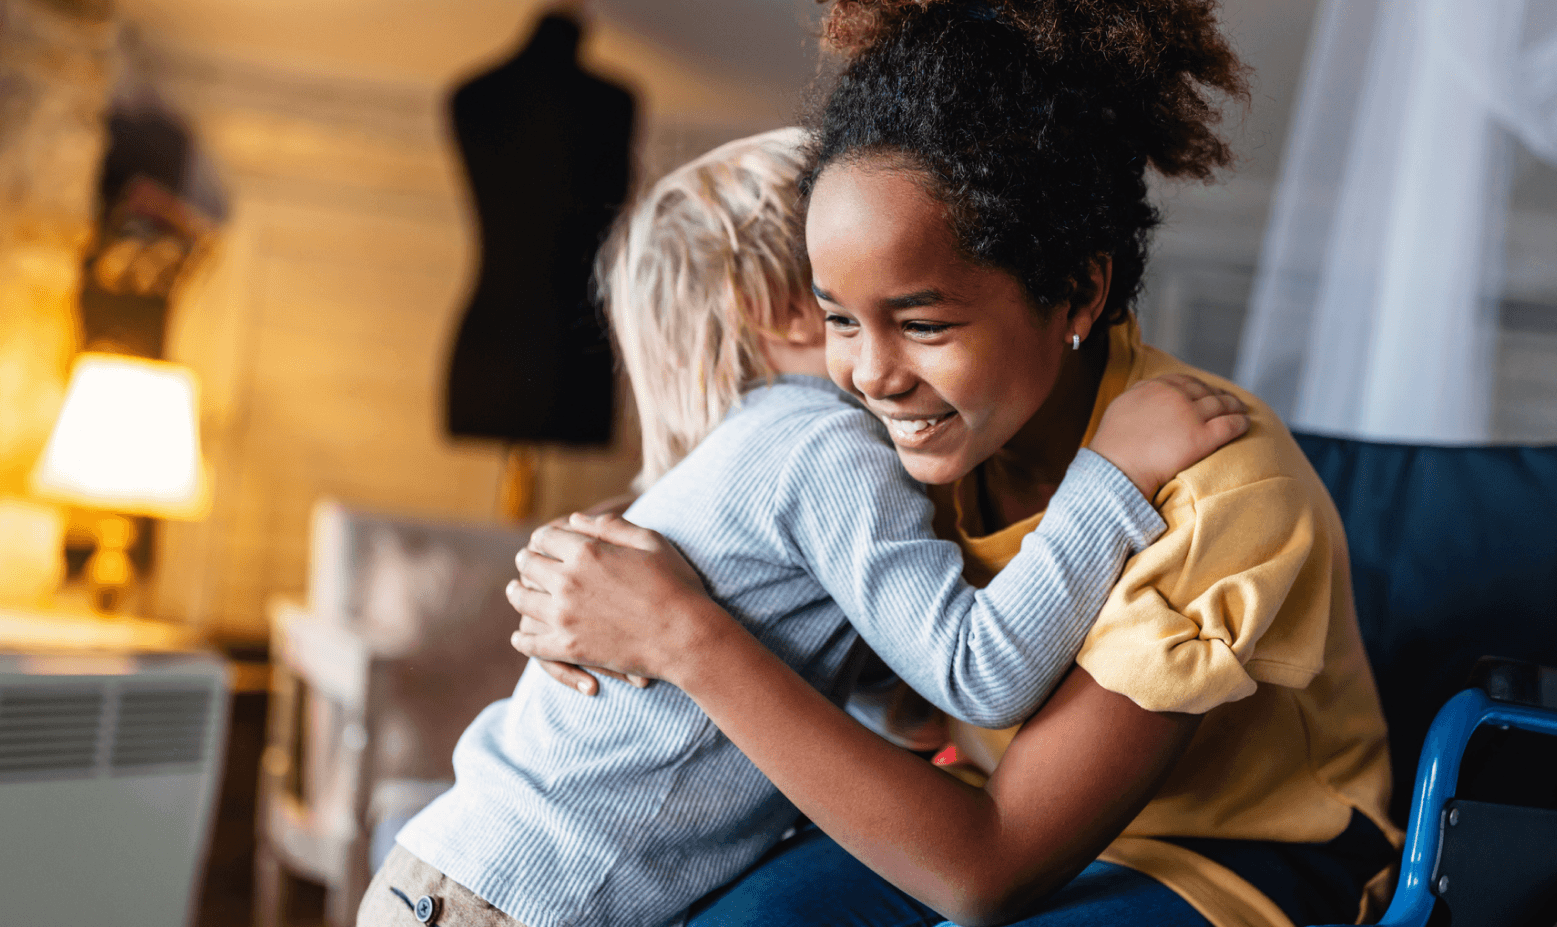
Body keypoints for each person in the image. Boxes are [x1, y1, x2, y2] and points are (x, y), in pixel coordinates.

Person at [507, 2, 1401, 926]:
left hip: (1232, 854)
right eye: (840, 320)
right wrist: (589, 587)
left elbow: (985, 873)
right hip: (983, 798)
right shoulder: (895, 444)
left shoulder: (1227, 488)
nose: (872, 376)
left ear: (1077, 289)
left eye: (925, 324)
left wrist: (681, 636)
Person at [359, 128, 1248, 927]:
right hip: (516, 903)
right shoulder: (820, 444)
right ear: (793, 303)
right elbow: (979, 673)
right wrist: (1113, 474)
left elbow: (885, 702)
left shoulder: (753, 450)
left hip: (450, 872)